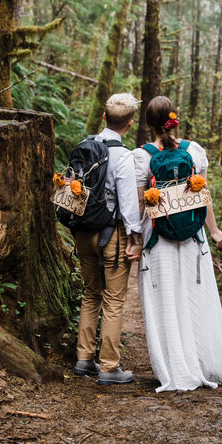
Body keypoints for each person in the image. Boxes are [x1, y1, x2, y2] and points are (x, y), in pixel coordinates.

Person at [132, 96, 222, 392]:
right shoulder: (194, 151)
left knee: (166, 299)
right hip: (194, 237)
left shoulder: (141, 156)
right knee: (196, 297)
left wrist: (134, 237)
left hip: (158, 239)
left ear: (149, 124)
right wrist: (216, 231)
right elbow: (202, 196)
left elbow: (140, 207)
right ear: (174, 118)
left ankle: (175, 367)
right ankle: (204, 360)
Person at [73, 93, 144, 385]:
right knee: (113, 301)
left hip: (82, 231)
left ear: (104, 117)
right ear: (129, 122)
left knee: (90, 295)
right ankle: (109, 366)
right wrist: (135, 238)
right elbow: (128, 205)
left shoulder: (84, 146)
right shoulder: (124, 157)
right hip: (112, 234)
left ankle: (83, 359)